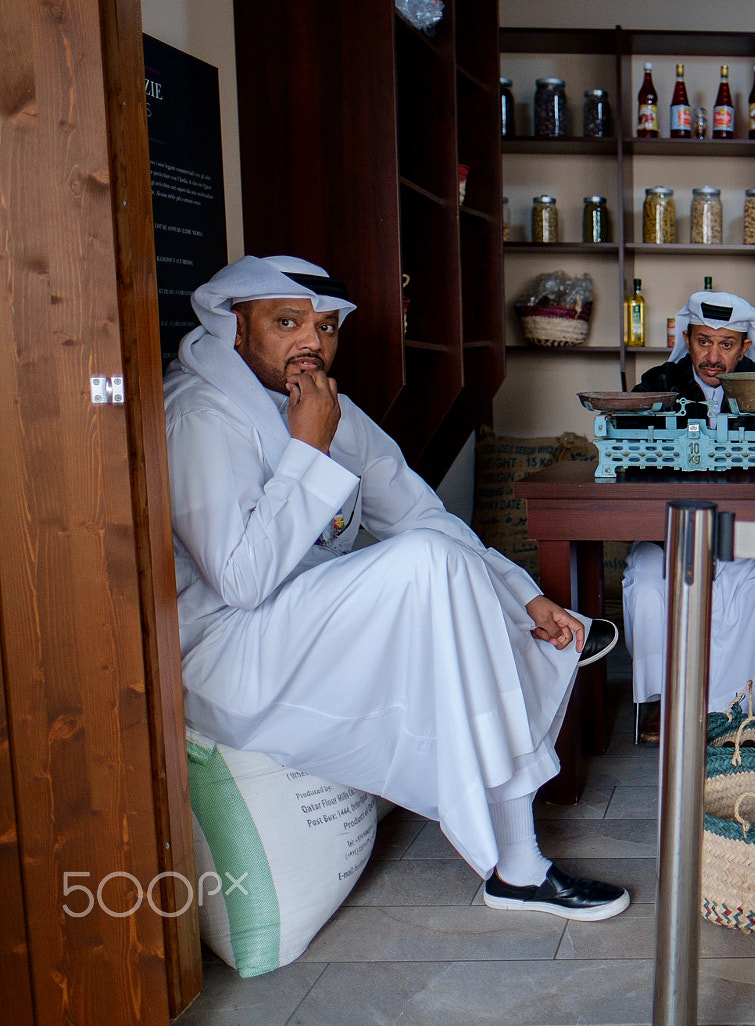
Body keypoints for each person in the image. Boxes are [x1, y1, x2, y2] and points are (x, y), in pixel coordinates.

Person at [165, 255, 628, 919]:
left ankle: (520, 865)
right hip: (230, 654)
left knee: (488, 603)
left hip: (306, 627)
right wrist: (309, 451)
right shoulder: (200, 413)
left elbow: (421, 514)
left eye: (325, 327)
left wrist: (524, 596)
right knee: (425, 564)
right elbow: (240, 581)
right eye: (287, 323)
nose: (311, 343)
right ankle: (516, 864)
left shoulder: (328, 408)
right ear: (236, 329)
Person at [622, 291, 755, 738]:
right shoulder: (659, 380)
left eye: (726, 344)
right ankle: (663, 701)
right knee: (649, 586)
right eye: (703, 342)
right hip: (672, 534)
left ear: (745, 347)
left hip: (748, 534)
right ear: (687, 339)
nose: (713, 357)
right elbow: (628, 446)